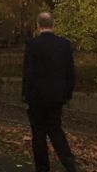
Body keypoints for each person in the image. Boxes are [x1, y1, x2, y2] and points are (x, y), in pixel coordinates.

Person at [22, 12, 77, 172]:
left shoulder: (32, 45)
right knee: (55, 129)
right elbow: (70, 72)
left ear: (38, 26)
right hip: (56, 96)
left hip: (37, 97)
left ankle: (42, 168)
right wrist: (68, 93)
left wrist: (25, 94)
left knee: (38, 133)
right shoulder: (64, 44)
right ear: (53, 25)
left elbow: (28, 72)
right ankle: (69, 163)